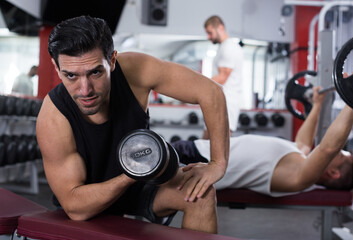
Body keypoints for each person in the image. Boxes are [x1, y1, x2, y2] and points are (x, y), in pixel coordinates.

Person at [36, 16, 230, 233]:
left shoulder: (136, 70)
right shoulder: (53, 117)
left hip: (140, 185)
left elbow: (211, 91)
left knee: (200, 193)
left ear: (111, 60)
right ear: (56, 66)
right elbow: (75, 207)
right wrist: (133, 172)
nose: (85, 90)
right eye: (70, 75)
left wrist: (218, 163)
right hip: (87, 199)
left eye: (95, 72)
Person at [172, 87, 353, 197]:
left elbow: (327, 148)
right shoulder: (300, 160)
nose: (338, 150)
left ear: (333, 172)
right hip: (198, 151)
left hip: (196, 162)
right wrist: (317, 105)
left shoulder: (301, 178)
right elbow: (303, 142)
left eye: (341, 154)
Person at [202, 15, 244, 139]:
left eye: (210, 33)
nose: (208, 37)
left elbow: (222, 77)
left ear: (220, 28)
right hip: (220, 101)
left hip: (226, 103)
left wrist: (197, 85)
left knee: (219, 145)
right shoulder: (224, 47)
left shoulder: (229, 47)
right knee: (205, 143)